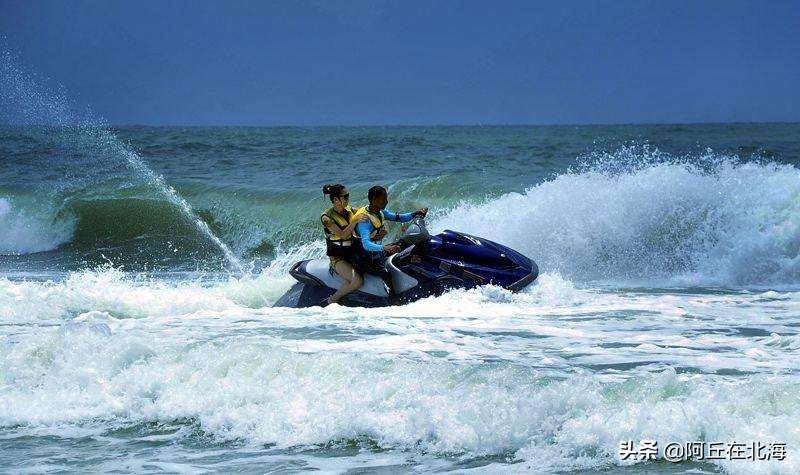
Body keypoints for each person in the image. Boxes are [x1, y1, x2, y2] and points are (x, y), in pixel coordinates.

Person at [351, 185, 428, 293]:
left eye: (386, 198)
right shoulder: (365, 221)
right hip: (364, 258)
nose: (386, 201)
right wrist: (385, 248)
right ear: (374, 200)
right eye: (383, 199)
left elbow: (399, 217)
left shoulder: (380, 211)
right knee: (386, 273)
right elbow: (366, 244)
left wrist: (415, 213)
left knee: (403, 245)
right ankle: (393, 298)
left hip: (377, 253)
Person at [320, 184, 368, 305]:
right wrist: (355, 221)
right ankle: (333, 299)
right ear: (336, 199)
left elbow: (367, 213)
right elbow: (343, 235)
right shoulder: (326, 218)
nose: (348, 199)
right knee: (357, 281)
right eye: (345, 197)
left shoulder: (351, 210)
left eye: (348, 196)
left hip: (353, 253)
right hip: (338, 258)